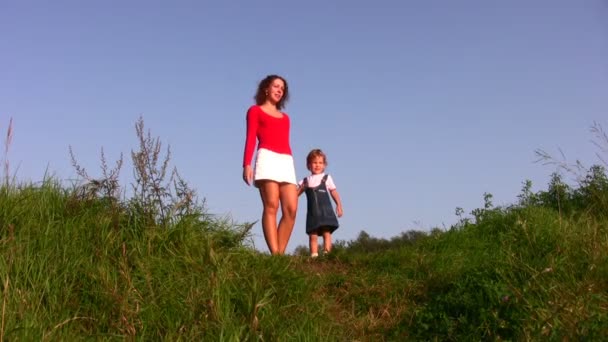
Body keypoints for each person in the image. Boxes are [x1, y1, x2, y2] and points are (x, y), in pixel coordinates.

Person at [242, 74, 298, 255]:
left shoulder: (286, 118)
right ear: (266, 89)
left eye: (282, 88)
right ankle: (276, 254)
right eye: (276, 86)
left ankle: (279, 255)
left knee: (291, 209)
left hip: (286, 161)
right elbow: (250, 137)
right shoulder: (255, 111)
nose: (279, 90)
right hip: (266, 158)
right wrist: (247, 164)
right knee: (272, 205)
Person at [298, 149, 343, 258]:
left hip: (325, 211)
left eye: (320, 163)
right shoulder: (305, 181)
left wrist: (339, 205)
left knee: (326, 232)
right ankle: (314, 256)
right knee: (312, 235)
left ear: (324, 165)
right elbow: (295, 194)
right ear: (309, 165)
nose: (317, 165)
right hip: (313, 212)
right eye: (314, 162)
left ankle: (327, 254)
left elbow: (333, 191)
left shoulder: (326, 178)